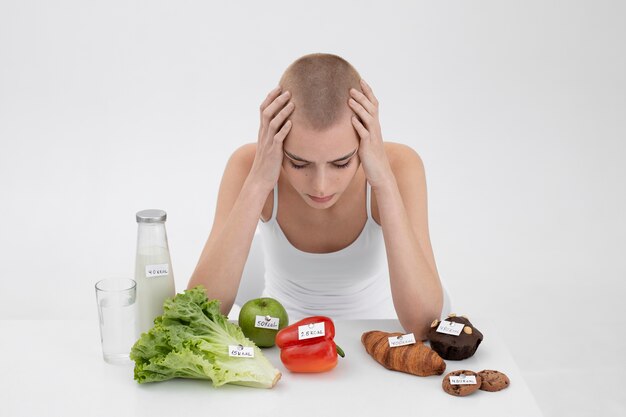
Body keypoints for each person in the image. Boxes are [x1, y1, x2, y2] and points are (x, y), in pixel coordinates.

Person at [188, 53, 445, 339]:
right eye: (299, 163)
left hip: (380, 345)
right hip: (280, 346)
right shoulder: (248, 166)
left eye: (341, 163)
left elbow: (424, 322)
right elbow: (199, 312)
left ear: (365, 140)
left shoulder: (400, 166)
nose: (321, 186)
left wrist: (383, 180)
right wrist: (259, 180)